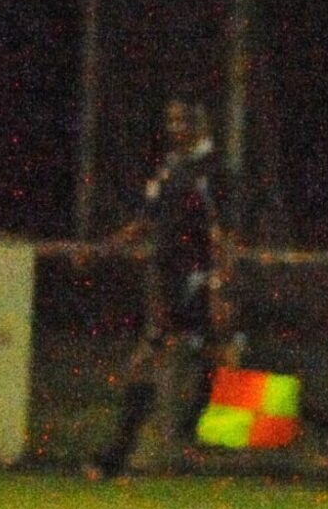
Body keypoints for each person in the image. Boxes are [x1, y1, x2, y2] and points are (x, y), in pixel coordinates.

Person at [86, 97, 237, 479]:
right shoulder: (171, 167)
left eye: (183, 119)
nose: (175, 127)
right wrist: (103, 249)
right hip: (171, 281)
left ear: (201, 123)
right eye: (170, 119)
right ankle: (123, 455)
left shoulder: (212, 170)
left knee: (217, 365)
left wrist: (220, 288)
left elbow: (223, 237)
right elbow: (146, 221)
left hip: (198, 282)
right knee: (162, 361)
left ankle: (122, 456)